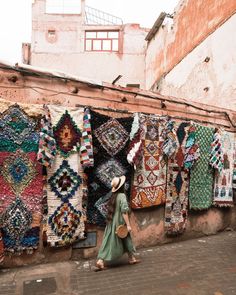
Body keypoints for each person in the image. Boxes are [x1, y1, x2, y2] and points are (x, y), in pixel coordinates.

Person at [94, 175, 140, 271]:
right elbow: (124, 211)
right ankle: (102, 261)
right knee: (125, 237)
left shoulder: (113, 196)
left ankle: (131, 258)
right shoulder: (122, 196)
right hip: (119, 223)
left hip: (111, 222)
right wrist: (128, 224)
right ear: (122, 186)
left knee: (108, 240)